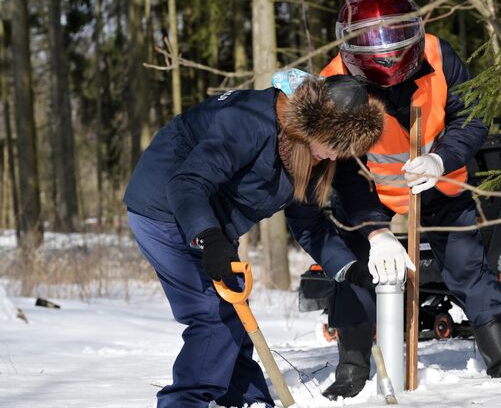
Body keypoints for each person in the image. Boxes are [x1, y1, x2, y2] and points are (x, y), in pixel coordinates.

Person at [123, 74, 384, 408]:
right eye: (333, 146)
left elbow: (309, 225)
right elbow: (188, 183)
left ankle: (250, 400)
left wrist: (347, 268)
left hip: (211, 224)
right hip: (165, 210)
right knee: (212, 317)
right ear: (314, 127)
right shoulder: (250, 121)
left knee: (233, 316)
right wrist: (209, 237)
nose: (334, 158)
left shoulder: (309, 155)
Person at [317, 0, 501, 400]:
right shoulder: (332, 83)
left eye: (397, 46)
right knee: (356, 273)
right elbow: (337, 168)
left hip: (439, 181)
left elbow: (472, 113)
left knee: (468, 268)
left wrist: (442, 159)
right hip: (368, 192)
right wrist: (375, 231)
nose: (390, 58)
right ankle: (352, 371)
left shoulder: (436, 53)